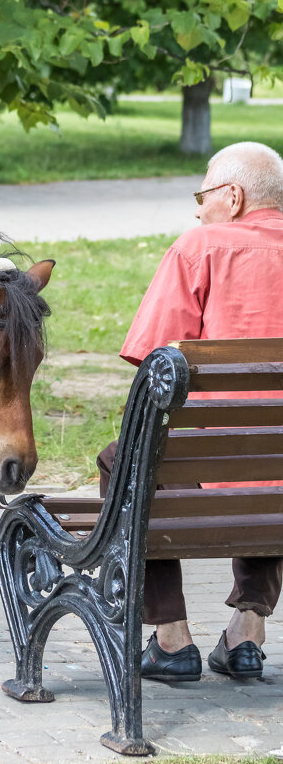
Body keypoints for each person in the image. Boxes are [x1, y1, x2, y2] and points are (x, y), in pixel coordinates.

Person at [97, 141, 283, 683]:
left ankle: (171, 637)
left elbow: (151, 360)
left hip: (211, 466)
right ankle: (248, 629)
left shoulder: (201, 246)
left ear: (233, 196)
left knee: (126, 464)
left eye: (202, 195)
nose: (197, 209)